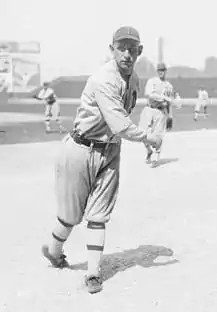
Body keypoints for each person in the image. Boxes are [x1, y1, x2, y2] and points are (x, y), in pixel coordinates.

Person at [41, 26, 161, 294]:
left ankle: (93, 273)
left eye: (132, 48)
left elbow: (120, 123)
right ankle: (53, 251)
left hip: (110, 150)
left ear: (139, 51)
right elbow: (119, 123)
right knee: (70, 216)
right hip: (80, 148)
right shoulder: (102, 79)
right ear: (112, 49)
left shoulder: (135, 80)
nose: (127, 53)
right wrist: (148, 138)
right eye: (122, 47)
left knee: (98, 216)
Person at [139, 62, 174, 167]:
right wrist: (164, 98)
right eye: (159, 70)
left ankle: (155, 158)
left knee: (158, 136)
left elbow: (169, 103)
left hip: (161, 112)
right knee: (141, 133)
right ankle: (149, 150)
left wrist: (170, 116)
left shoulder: (169, 86)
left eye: (163, 70)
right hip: (149, 109)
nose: (161, 72)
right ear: (157, 71)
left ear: (165, 71)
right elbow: (150, 95)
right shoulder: (152, 82)